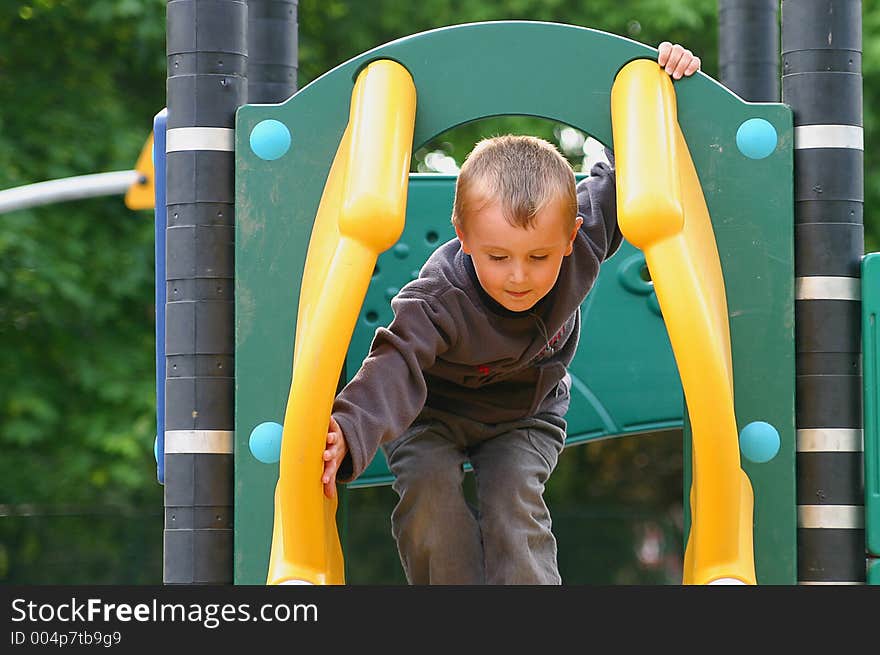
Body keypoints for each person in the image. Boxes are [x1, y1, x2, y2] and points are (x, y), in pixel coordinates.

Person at [320, 42, 701, 584]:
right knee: (428, 491)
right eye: (498, 257)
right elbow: (396, 359)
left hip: (525, 413)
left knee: (513, 501)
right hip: (432, 412)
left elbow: (638, 167)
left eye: (539, 257)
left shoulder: (584, 235)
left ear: (571, 236)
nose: (519, 276)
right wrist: (349, 428)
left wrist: (670, 87)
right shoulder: (441, 295)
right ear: (465, 237)